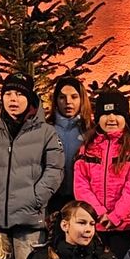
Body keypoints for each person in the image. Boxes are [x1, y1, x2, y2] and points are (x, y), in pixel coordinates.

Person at [0, 72, 65, 259]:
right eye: (8, 94)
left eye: (19, 94)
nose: (13, 99)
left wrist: (34, 198)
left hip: (29, 224)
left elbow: (55, 170)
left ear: (29, 98)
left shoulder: (45, 132)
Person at [74, 90, 130, 259]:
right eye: (106, 114)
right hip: (93, 225)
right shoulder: (87, 148)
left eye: (117, 113)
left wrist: (115, 216)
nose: (111, 118)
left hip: (123, 227)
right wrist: (98, 213)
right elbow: (81, 184)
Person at [46, 76, 91, 215]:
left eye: (74, 97)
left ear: (82, 99)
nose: (68, 102)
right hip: (53, 201)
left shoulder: (91, 131)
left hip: (83, 201)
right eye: (62, 97)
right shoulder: (47, 130)